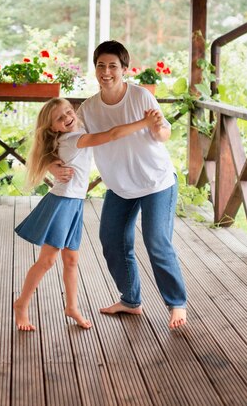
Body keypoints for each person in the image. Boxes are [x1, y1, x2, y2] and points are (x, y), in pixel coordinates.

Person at [49, 41, 187, 330]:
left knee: (156, 242)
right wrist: (51, 165)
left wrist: (158, 127)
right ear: (95, 68)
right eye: (101, 65)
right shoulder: (87, 109)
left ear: (125, 69)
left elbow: (164, 134)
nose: (106, 72)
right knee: (111, 241)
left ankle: (176, 303)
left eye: (113, 66)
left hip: (156, 182)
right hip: (120, 186)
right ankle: (130, 300)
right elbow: (65, 141)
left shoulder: (140, 96)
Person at [14, 97, 160, 332]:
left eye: (69, 111)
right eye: (60, 118)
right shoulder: (73, 139)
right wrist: (144, 122)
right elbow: (111, 135)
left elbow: (54, 149)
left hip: (74, 204)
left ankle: (72, 307)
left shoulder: (73, 130)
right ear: (53, 127)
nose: (68, 118)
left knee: (71, 261)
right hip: (62, 203)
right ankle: (21, 304)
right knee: (47, 260)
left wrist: (51, 164)